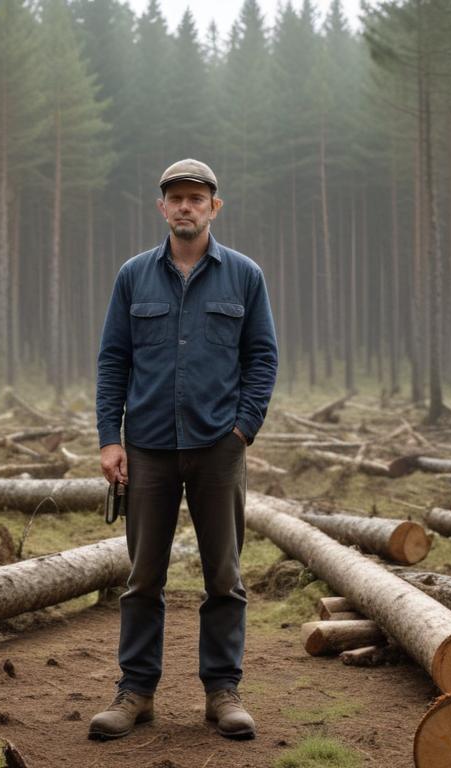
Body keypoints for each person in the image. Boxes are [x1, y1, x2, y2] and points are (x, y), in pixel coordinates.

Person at [90, 159, 278, 741]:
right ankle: (135, 693)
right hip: (146, 448)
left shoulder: (244, 276)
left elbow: (263, 358)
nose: (186, 207)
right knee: (143, 579)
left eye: (197, 198)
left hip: (219, 448)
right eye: (176, 198)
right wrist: (109, 439)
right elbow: (113, 360)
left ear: (214, 207)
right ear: (162, 207)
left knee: (224, 577)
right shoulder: (133, 277)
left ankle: (223, 691)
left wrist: (242, 429)